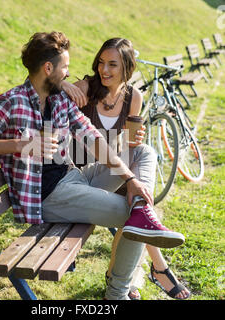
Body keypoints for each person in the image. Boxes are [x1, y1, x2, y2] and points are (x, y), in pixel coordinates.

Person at [0, 31, 185, 300]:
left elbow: (92, 138)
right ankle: (117, 294)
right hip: (49, 197)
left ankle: (140, 211)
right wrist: (20, 144)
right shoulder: (12, 102)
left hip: (74, 178)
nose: (68, 75)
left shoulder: (58, 99)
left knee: (142, 153)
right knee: (133, 217)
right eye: (65, 67)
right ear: (48, 68)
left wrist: (130, 180)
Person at [62, 38, 191, 300]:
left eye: (113, 65)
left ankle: (131, 275)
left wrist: (131, 140)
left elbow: (129, 145)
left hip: (111, 169)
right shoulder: (86, 88)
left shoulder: (134, 97)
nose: (104, 70)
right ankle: (157, 269)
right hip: (82, 176)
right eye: (101, 62)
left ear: (127, 68)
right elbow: (45, 93)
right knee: (137, 204)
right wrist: (63, 83)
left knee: (141, 166)